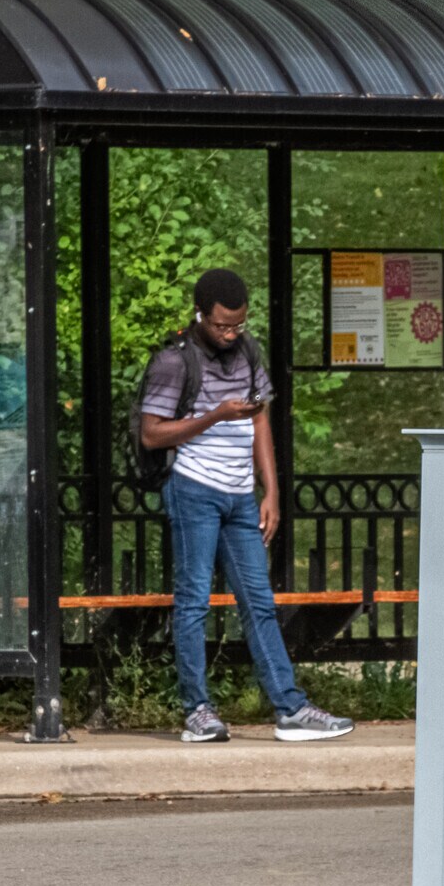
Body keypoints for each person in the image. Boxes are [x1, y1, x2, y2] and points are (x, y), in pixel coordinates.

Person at [136, 268, 354, 745]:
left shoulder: (249, 351)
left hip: (240, 495)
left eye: (237, 324)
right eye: (221, 326)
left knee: (259, 600)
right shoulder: (175, 362)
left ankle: (291, 709)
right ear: (200, 316)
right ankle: (198, 711)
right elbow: (151, 432)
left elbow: (261, 424)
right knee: (193, 599)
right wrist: (213, 415)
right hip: (192, 487)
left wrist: (270, 491)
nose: (230, 334)